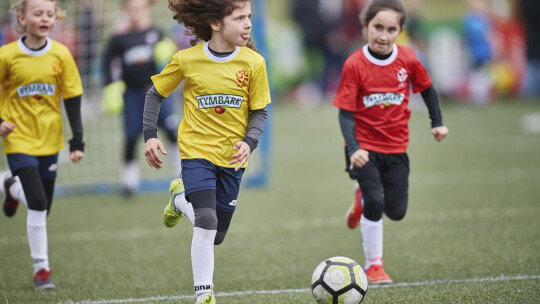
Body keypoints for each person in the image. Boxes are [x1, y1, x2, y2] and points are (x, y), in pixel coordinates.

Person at [143, 0, 270, 302]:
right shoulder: (187, 59)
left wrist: (248, 143)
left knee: (217, 234)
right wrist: (150, 135)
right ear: (216, 23)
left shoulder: (253, 63)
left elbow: (260, 112)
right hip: (196, 153)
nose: (248, 24)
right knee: (207, 221)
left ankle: (178, 197)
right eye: (239, 18)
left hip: (232, 159)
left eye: (249, 17)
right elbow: (155, 94)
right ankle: (204, 294)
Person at [333, 0, 448, 284]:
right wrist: (354, 147)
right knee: (375, 202)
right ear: (366, 27)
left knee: (396, 211)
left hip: (396, 148)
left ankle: (360, 198)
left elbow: (427, 90)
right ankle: (374, 266)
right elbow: (345, 112)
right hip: (363, 149)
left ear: (400, 30)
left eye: (391, 29)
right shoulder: (355, 63)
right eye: (378, 28)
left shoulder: (408, 59)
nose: (384, 35)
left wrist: (437, 122)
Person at [0, 0, 85, 289]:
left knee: (43, 207)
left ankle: (11, 187)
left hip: (50, 140)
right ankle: (42, 269)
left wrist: (77, 141)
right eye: (38, 13)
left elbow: (73, 98)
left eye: (50, 14)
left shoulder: (61, 54)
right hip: (18, 139)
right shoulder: (7, 56)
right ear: (22, 19)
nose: (45, 18)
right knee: (36, 202)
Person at [102, 0, 180, 198]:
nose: (136, 11)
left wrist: (169, 50)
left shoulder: (157, 32)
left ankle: (181, 175)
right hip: (132, 95)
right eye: (132, 8)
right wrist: (111, 86)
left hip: (158, 93)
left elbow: (174, 60)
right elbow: (106, 64)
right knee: (130, 138)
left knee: (172, 132)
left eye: (140, 7)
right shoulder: (118, 38)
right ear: (125, 10)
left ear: (147, 8)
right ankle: (129, 182)